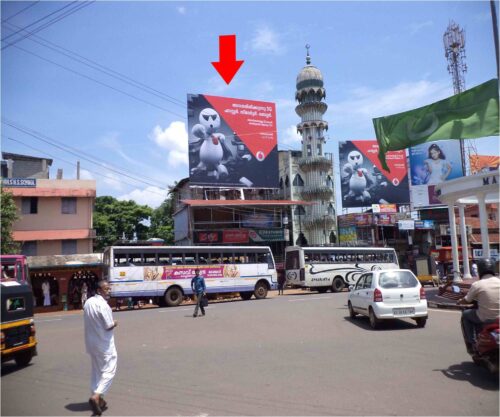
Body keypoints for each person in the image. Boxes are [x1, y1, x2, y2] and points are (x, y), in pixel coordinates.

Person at [84, 280, 118, 416]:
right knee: (109, 371)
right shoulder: (104, 305)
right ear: (99, 290)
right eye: (106, 289)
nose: (108, 291)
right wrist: (115, 323)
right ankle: (97, 396)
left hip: (91, 343)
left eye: (109, 289)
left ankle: (99, 400)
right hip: (104, 344)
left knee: (97, 372)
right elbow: (108, 325)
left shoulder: (88, 302)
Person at [457, 258, 500, 354]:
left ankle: (472, 343)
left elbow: (467, 300)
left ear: (480, 270)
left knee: (465, 315)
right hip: (499, 319)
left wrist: (460, 302)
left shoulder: (478, 284)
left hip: (484, 318)